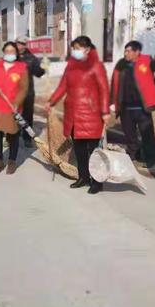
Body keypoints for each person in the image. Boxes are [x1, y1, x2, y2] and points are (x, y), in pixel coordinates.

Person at [46, 36, 110, 194]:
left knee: (94, 151)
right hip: (73, 114)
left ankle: (97, 181)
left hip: (91, 115)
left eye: (77, 48)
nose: (75, 51)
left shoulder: (96, 66)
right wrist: (51, 101)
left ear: (87, 49)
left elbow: (104, 90)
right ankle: (83, 177)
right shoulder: (71, 66)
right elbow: (63, 86)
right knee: (79, 149)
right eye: (73, 48)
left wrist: (105, 112)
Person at [111, 40, 155, 167]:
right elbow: (114, 83)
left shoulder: (147, 61)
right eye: (125, 50)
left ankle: (151, 160)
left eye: (129, 51)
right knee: (129, 135)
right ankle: (133, 156)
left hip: (142, 108)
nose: (126, 53)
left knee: (147, 135)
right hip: (125, 107)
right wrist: (112, 101)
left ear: (137, 52)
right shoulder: (121, 64)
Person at [0, 42, 28, 175]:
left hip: (12, 106)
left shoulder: (22, 67)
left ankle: (12, 161)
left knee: (13, 134)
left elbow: (24, 88)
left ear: (16, 53)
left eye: (12, 51)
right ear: (4, 52)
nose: (10, 54)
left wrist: (17, 102)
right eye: (7, 51)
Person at [16, 36, 45, 147]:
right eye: (18, 43)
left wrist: (43, 67)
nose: (20, 46)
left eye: (23, 43)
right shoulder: (11, 56)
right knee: (13, 115)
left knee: (28, 115)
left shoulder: (31, 58)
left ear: (25, 45)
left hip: (28, 92)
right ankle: (10, 137)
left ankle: (27, 137)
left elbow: (38, 73)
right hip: (14, 91)